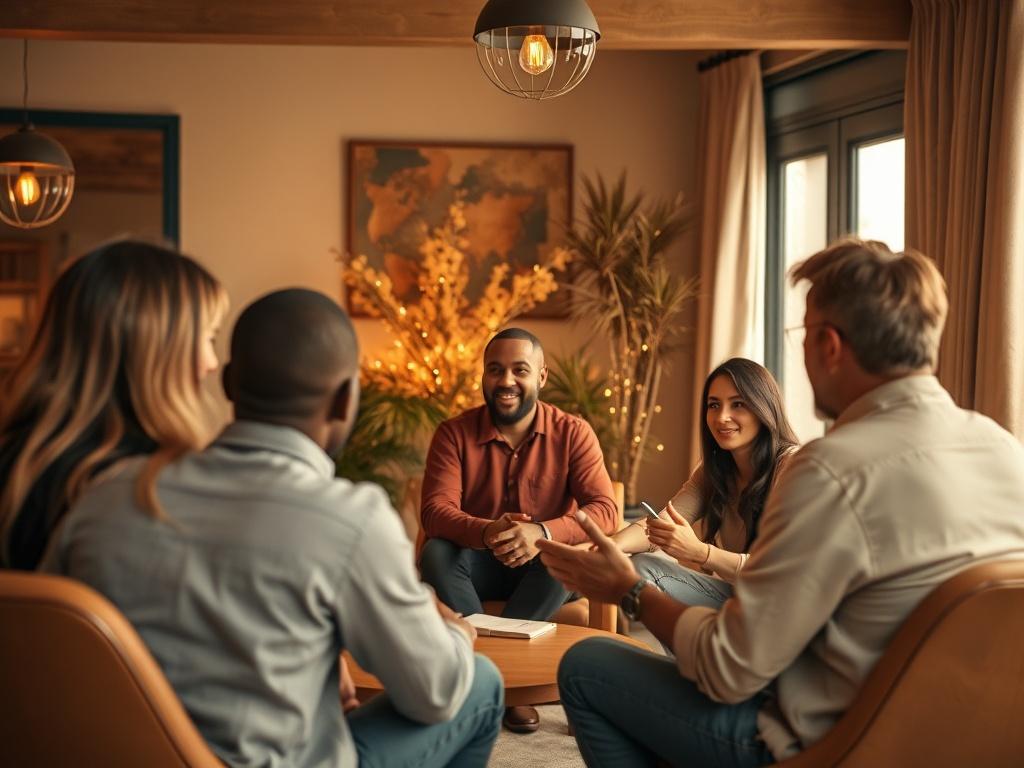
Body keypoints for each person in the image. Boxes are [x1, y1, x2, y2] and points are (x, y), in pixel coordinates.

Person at [537, 238, 1024, 767]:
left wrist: (630, 592)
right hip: (958, 740)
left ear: (830, 344)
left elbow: (729, 672)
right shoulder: (1006, 450)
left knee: (586, 664)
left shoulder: (829, 470)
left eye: (804, 334)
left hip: (836, 744)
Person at [42, 289, 504, 767]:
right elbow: (434, 694)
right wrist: (452, 633)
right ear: (346, 399)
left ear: (226, 384)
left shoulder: (106, 496)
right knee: (480, 682)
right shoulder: (351, 519)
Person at [419, 326, 617, 733]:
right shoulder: (453, 433)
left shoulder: (573, 432)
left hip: (544, 571)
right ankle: (507, 686)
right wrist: (488, 531)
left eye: (519, 370)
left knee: (566, 557)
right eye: (495, 370)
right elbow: (435, 511)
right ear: (483, 376)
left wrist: (541, 532)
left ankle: (490, 682)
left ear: (541, 377)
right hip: (477, 564)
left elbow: (606, 511)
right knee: (436, 551)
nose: (506, 381)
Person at [0, 239, 228, 570]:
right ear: (155, 351)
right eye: (208, 337)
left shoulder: (14, 462)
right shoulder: (150, 490)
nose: (211, 363)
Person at [613, 358, 798, 611]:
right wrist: (607, 547)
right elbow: (661, 523)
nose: (722, 417)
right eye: (714, 405)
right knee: (642, 567)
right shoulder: (713, 470)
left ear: (763, 408)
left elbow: (780, 571)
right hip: (740, 601)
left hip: (787, 611)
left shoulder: (793, 467)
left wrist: (700, 552)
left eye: (738, 404)